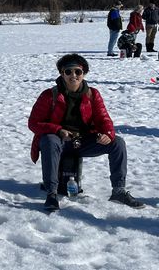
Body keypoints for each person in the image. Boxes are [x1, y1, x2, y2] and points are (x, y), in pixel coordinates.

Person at [28, 54, 144, 211]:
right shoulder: (49, 95)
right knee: (49, 139)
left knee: (118, 143)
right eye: (68, 72)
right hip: (58, 142)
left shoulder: (92, 94)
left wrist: (107, 134)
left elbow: (104, 119)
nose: (73, 75)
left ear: (84, 74)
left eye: (78, 71)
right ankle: (52, 193)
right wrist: (58, 130)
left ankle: (118, 191)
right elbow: (34, 123)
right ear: (62, 73)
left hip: (82, 142)